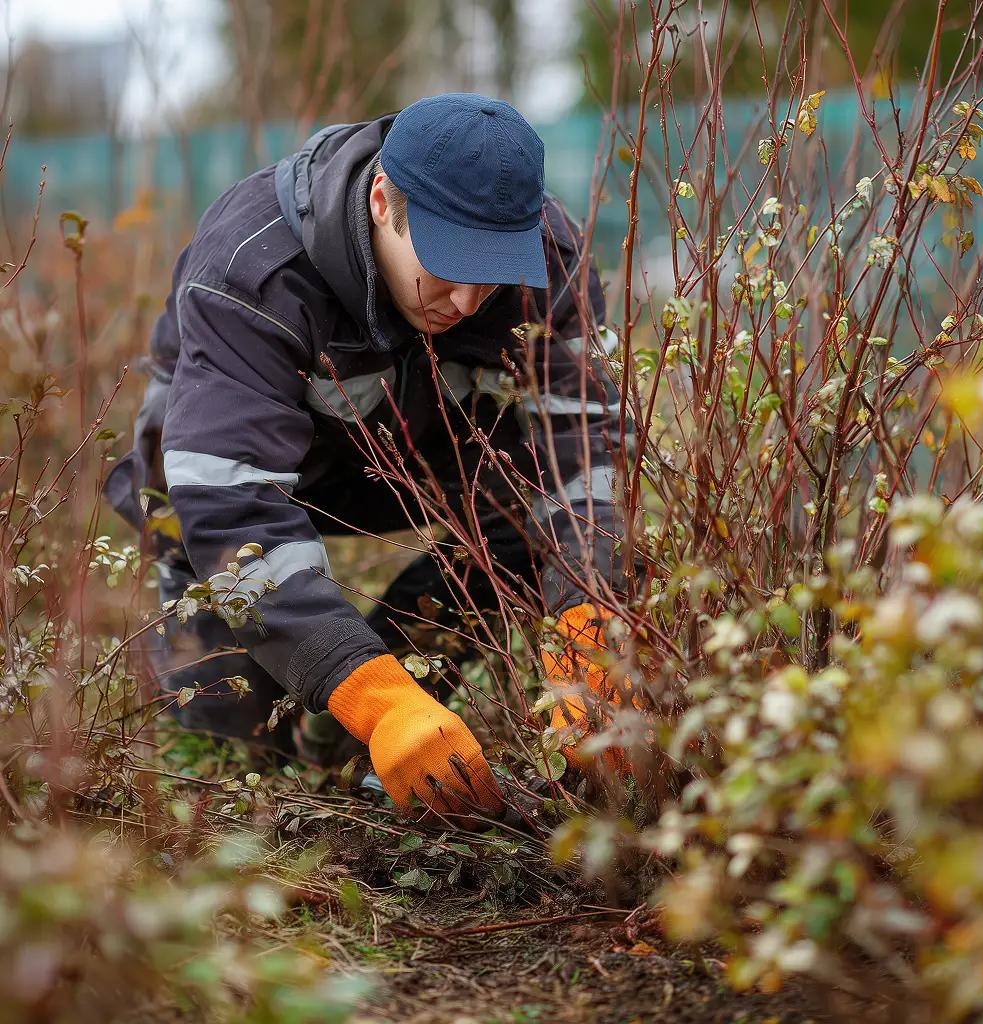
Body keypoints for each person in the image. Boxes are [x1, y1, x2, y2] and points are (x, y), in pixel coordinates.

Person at [104, 93, 626, 822]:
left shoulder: (548, 259)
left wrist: (588, 617)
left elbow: (581, 450)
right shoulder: (253, 266)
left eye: (492, 270)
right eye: (448, 264)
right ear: (384, 199)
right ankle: (357, 699)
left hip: (407, 452)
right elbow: (233, 508)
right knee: (243, 745)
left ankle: (377, 702)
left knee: (527, 513)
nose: (469, 301)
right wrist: (374, 700)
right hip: (234, 480)